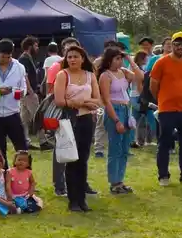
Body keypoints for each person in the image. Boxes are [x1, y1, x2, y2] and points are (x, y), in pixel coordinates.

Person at [53, 43, 101, 212]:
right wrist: (80, 103)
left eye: (75, 56)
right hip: (68, 121)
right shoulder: (62, 75)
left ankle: (82, 198)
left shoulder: (90, 75)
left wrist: (85, 103)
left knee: (83, 159)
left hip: (86, 120)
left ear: (82, 59)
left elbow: (97, 100)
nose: (72, 59)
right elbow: (59, 101)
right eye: (69, 57)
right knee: (71, 160)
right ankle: (73, 200)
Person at [149, 33, 182, 185]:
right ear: (171, 44)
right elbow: (153, 85)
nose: (179, 47)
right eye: (177, 44)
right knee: (164, 142)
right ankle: (163, 176)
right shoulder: (161, 62)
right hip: (166, 108)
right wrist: (162, 99)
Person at [97, 46, 138, 195]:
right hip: (115, 110)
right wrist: (116, 120)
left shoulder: (123, 72)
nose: (119, 61)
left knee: (125, 149)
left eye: (121, 58)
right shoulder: (105, 76)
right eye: (117, 58)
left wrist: (129, 59)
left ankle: (120, 181)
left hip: (127, 109)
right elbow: (106, 100)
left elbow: (139, 76)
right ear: (109, 60)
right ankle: (114, 182)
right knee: (115, 149)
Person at [0, 39, 30, 163]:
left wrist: (22, 92)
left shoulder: (19, 67)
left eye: (8, 56)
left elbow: (23, 86)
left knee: (21, 146)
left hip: (13, 112)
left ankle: (24, 174)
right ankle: (3, 175)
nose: (6, 59)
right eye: (2, 56)